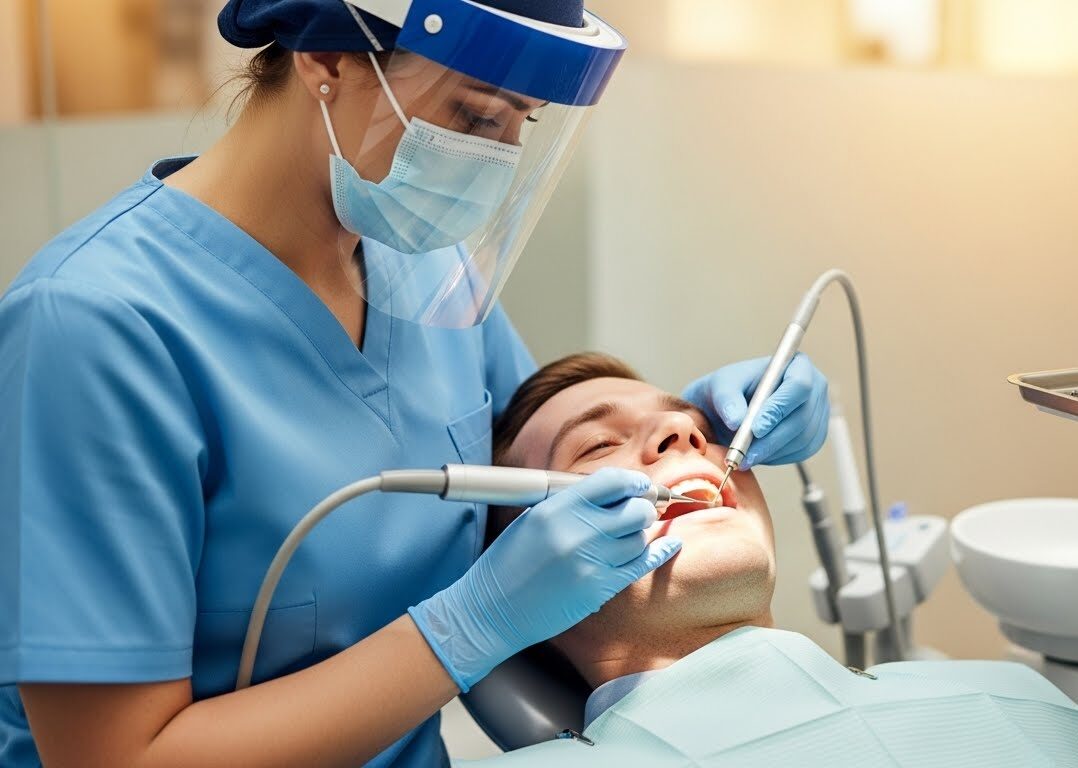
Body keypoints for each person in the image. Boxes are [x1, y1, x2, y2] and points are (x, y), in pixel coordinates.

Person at [0, 2, 832, 766]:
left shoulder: (419, 266)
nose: (498, 159)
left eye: (522, 124)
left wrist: (693, 417)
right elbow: (115, 758)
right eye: (475, 116)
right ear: (328, 55)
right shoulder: (94, 327)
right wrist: (473, 624)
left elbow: (535, 462)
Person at [469, 352, 1078, 766]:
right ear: (521, 569)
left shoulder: (1024, 698)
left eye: (698, 425)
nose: (682, 432)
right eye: (598, 445)